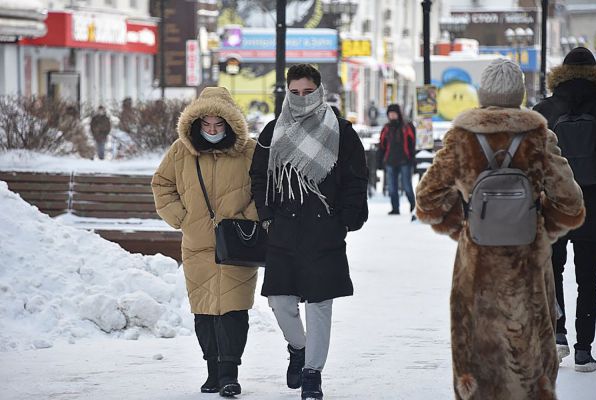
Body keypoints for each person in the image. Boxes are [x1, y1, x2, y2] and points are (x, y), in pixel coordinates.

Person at [415, 58, 585, 399]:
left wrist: (465, 226)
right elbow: (571, 203)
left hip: (476, 263)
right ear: (519, 93)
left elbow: (427, 200)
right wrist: (537, 226)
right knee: (531, 354)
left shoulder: (461, 137)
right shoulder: (539, 136)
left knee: (477, 354)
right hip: (528, 263)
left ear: (483, 93)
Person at [250, 64, 368, 400]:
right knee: (279, 301)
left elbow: (356, 178)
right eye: (296, 92)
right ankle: (298, 348)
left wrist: (343, 219)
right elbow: (258, 177)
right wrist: (267, 215)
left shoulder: (342, 131)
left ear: (319, 91)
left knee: (319, 304)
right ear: (288, 92)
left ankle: (313, 373)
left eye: (308, 91)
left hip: (323, 229)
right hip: (283, 229)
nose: (302, 98)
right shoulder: (273, 131)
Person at [151, 87, 259, 397]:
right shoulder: (181, 151)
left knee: (234, 310)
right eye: (206, 125)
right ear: (196, 123)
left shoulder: (249, 151)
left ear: (229, 123)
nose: (212, 131)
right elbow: (162, 185)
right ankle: (212, 371)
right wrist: (182, 219)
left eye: (218, 125)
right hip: (197, 243)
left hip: (238, 244)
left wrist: (248, 218)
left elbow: (263, 190)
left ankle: (229, 373)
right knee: (205, 311)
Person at [533, 46, 596, 372]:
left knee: (553, 271)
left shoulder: (544, 109)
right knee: (588, 280)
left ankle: (558, 335)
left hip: (554, 204)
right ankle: (584, 350)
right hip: (594, 205)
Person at [379, 103, 416, 218]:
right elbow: (382, 145)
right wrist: (382, 160)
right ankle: (395, 208)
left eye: (394, 113)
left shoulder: (407, 126)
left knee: (407, 186)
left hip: (405, 161)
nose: (392, 116)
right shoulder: (386, 128)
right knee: (392, 187)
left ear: (398, 114)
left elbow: (412, 144)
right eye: (390, 114)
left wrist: (411, 159)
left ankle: (414, 207)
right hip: (390, 161)